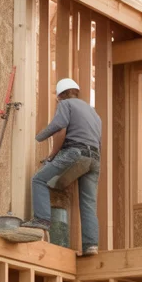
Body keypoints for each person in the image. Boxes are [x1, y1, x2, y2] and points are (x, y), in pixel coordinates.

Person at [23, 78, 101, 255]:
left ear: (60, 96)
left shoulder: (66, 105)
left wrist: (39, 140)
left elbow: (59, 128)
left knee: (38, 179)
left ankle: (42, 220)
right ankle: (91, 245)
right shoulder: (94, 113)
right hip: (94, 159)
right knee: (88, 203)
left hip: (76, 152)